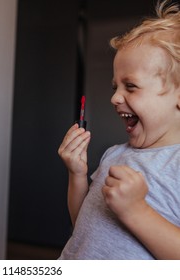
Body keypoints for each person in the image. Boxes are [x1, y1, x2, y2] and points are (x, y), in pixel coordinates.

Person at [57, 0, 180, 259]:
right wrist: (77, 174)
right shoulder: (113, 154)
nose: (115, 98)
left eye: (131, 86)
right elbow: (84, 226)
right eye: (116, 87)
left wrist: (137, 211)